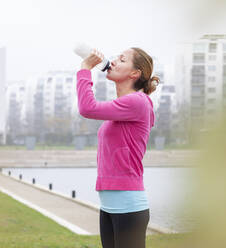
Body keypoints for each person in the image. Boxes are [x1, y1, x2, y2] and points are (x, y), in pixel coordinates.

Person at [76, 47, 160, 248]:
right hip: (109, 205)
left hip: (128, 206)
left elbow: (87, 108)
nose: (113, 62)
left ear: (134, 73)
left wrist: (85, 69)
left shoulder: (137, 102)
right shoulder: (123, 107)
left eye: (122, 60)